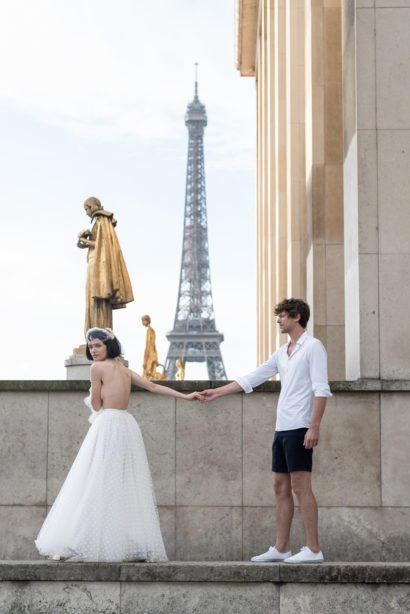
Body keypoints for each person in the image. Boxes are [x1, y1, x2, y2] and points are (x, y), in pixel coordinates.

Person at [35, 327, 197, 563]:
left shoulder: (96, 368)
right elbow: (153, 386)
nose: (93, 350)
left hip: (108, 424)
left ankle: (75, 543)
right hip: (126, 424)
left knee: (93, 480)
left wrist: (93, 393)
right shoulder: (124, 369)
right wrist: (185, 396)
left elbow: (97, 405)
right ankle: (131, 545)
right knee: (124, 483)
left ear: (108, 346)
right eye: (91, 346)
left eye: (97, 345)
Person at [197, 298, 332, 564]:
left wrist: (313, 426)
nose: (278, 320)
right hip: (282, 428)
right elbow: (254, 377)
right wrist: (218, 393)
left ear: (296, 317)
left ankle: (313, 549)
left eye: (282, 316)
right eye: (278, 316)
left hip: (300, 426)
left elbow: (321, 389)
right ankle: (282, 548)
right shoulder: (283, 352)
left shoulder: (313, 347)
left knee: (300, 486)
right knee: (279, 486)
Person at [77, 197, 134, 336]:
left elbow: (100, 244)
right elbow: (99, 243)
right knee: (95, 298)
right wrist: (82, 241)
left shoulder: (101, 219)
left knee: (97, 299)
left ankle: (98, 331)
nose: (86, 213)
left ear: (92, 207)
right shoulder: (101, 221)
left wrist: (83, 239)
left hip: (97, 267)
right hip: (96, 265)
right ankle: (97, 332)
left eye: (86, 209)